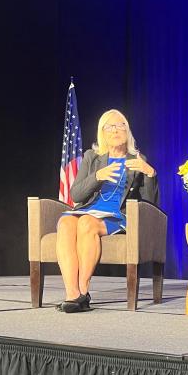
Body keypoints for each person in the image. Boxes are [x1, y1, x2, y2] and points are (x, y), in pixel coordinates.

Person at [56, 109, 158, 312]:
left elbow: (149, 203)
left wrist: (150, 173)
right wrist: (98, 176)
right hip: (89, 209)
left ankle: (83, 291)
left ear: (127, 131)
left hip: (118, 215)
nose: (116, 130)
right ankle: (72, 294)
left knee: (86, 223)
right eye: (110, 126)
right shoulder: (92, 157)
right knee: (65, 222)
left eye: (121, 125)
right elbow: (76, 195)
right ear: (102, 132)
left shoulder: (136, 159)